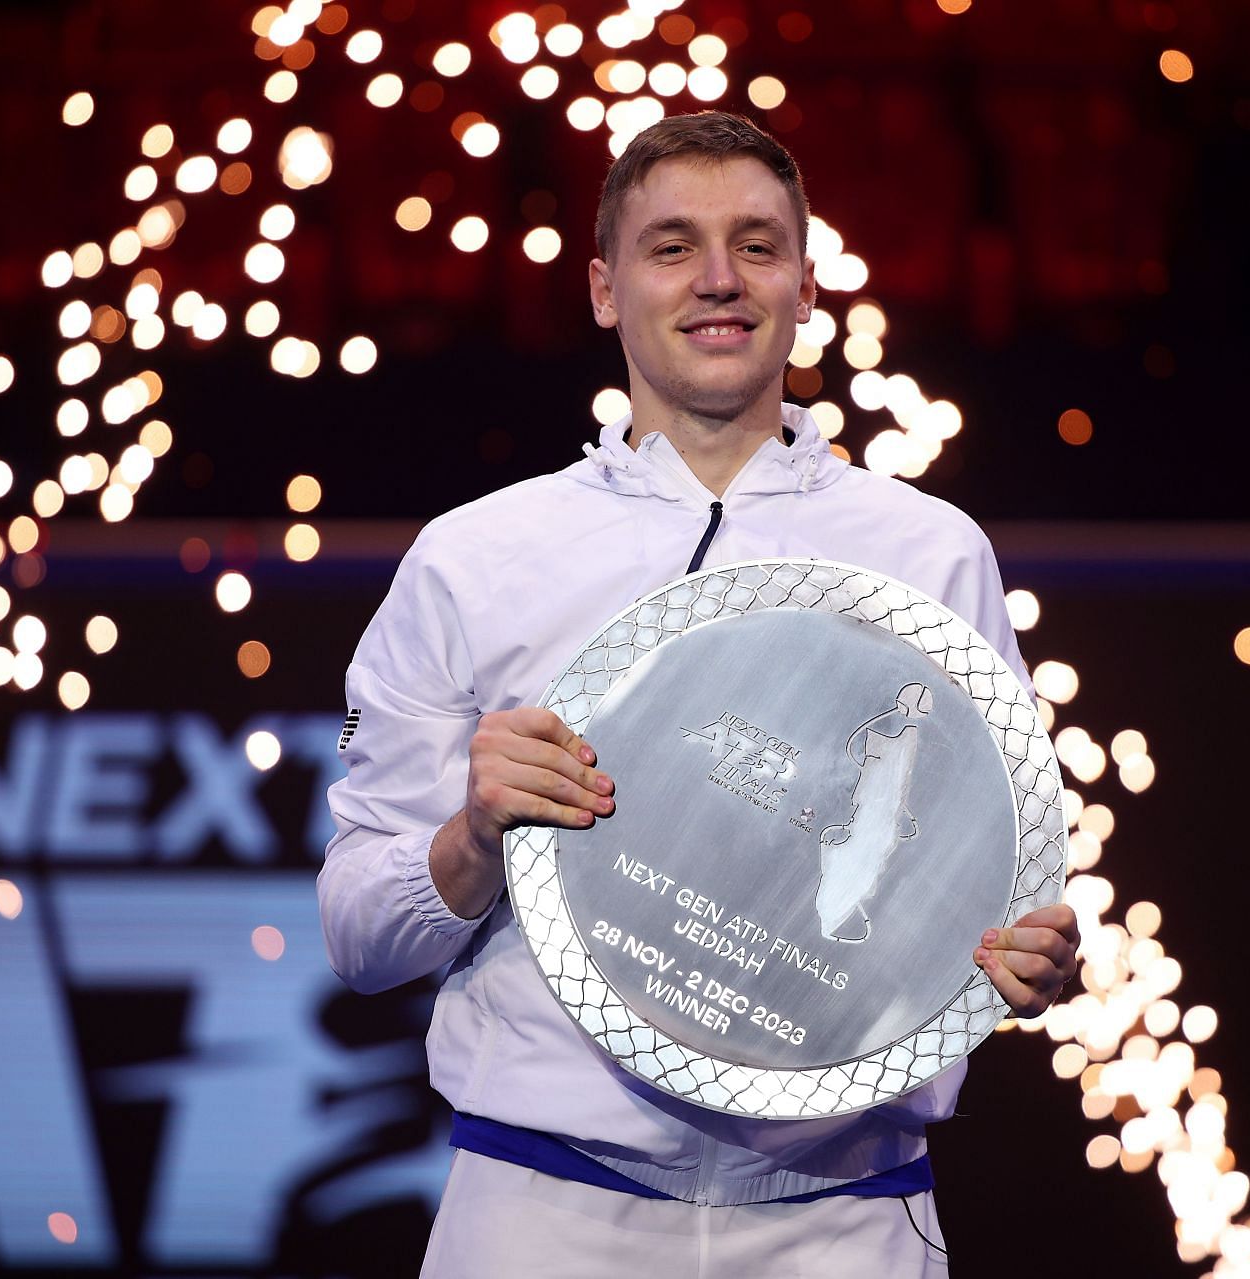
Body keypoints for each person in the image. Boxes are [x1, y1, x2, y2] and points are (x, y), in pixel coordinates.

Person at [319, 111, 1079, 1277]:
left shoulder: (932, 552)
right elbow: (360, 936)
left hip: (847, 1219)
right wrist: (473, 839)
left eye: (757, 246)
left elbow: (996, 897)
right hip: (544, 1211)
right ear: (603, 290)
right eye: (672, 247)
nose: (719, 279)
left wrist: (1029, 961)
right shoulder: (475, 556)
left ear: (807, 285)